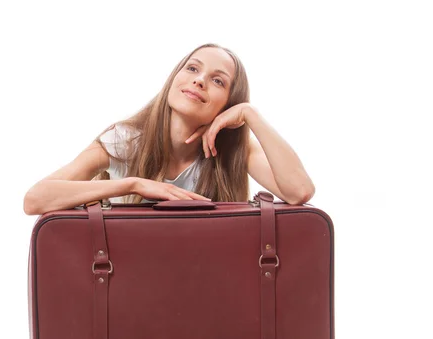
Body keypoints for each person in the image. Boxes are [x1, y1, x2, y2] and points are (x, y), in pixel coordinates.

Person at [23, 43, 315, 215]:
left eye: (218, 81)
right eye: (192, 69)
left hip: (207, 283)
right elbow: (35, 199)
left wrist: (251, 115)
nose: (199, 80)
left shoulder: (235, 150)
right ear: (174, 78)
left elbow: (299, 191)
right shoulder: (125, 140)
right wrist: (132, 184)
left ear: (229, 103)